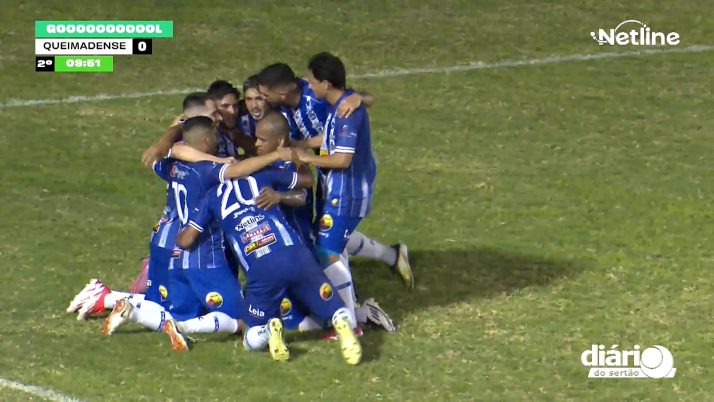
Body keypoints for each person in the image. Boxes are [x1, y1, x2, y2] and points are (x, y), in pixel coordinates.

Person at [175, 145, 362, 365]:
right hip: (296, 253)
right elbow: (306, 181)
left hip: (261, 267)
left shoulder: (211, 197)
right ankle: (340, 321)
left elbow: (185, 241)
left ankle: (269, 330)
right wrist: (299, 159)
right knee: (335, 308)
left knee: (250, 337)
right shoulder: (263, 177)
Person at [257, 63, 413, 289]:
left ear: (281, 92)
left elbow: (362, 102)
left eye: (264, 95)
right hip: (328, 172)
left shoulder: (317, 94)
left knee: (328, 243)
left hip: (347, 177)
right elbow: (327, 134)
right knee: (326, 233)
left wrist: (357, 98)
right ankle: (392, 256)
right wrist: (301, 146)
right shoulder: (285, 105)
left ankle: (347, 302)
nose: (262, 100)